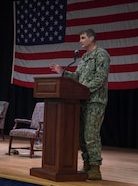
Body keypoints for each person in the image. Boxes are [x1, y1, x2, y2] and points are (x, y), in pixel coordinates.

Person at [49, 29, 110, 180]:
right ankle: (87, 164)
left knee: (91, 135)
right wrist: (63, 72)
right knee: (81, 135)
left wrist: (84, 90)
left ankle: (96, 168)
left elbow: (100, 78)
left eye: (83, 38)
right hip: (81, 101)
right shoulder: (83, 57)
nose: (80, 41)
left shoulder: (101, 54)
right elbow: (77, 77)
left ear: (92, 38)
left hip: (95, 101)